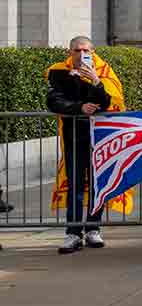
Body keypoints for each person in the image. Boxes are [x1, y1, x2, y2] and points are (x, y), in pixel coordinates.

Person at [47, 35, 124, 254]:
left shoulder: (104, 72)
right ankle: (73, 233)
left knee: (98, 184)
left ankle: (93, 228)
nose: (82, 55)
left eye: (86, 51)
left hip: (99, 137)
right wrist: (79, 108)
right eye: (77, 51)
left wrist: (96, 81)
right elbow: (54, 101)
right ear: (70, 52)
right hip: (74, 136)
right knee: (76, 186)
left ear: (93, 52)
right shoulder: (58, 72)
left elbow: (108, 102)